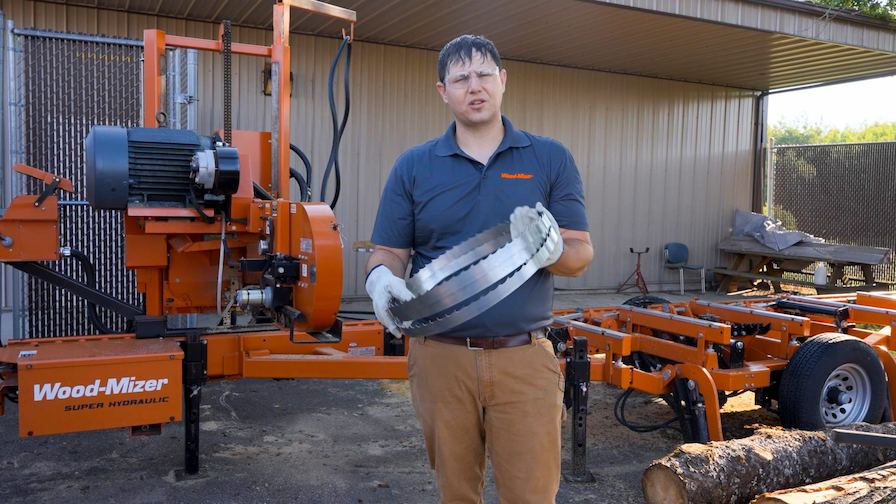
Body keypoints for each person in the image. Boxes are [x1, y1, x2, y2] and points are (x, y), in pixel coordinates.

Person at [365, 34, 593, 504]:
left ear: (503, 81)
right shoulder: (414, 166)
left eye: (485, 74)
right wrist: (380, 281)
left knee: (531, 495)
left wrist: (551, 250)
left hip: (523, 360)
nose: (475, 86)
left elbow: (580, 253)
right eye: (461, 78)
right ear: (442, 91)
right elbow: (388, 252)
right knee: (457, 493)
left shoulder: (549, 158)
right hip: (439, 360)